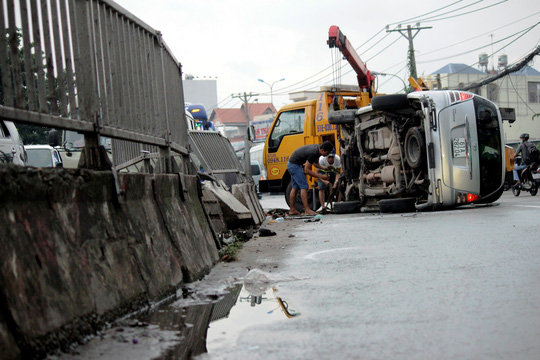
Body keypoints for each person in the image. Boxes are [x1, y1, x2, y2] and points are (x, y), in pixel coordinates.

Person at [287, 141, 334, 216]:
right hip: (294, 166)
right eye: (327, 153)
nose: (327, 155)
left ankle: (292, 210)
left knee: (295, 187)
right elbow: (307, 170)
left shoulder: (318, 149)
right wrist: (321, 176)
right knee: (304, 186)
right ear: (323, 150)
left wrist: (323, 168)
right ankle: (307, 210)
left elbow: (315, 163)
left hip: (292, 164)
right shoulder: (313, 153)